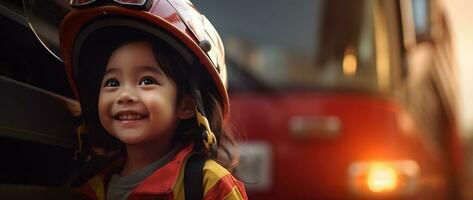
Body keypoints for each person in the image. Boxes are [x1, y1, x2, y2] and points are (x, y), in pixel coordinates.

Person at [58, 0, 247, 199]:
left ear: (188, 105)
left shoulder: (210, 185)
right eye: (113, 83)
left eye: (146, 81)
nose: (124, 95)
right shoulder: (89, 188)